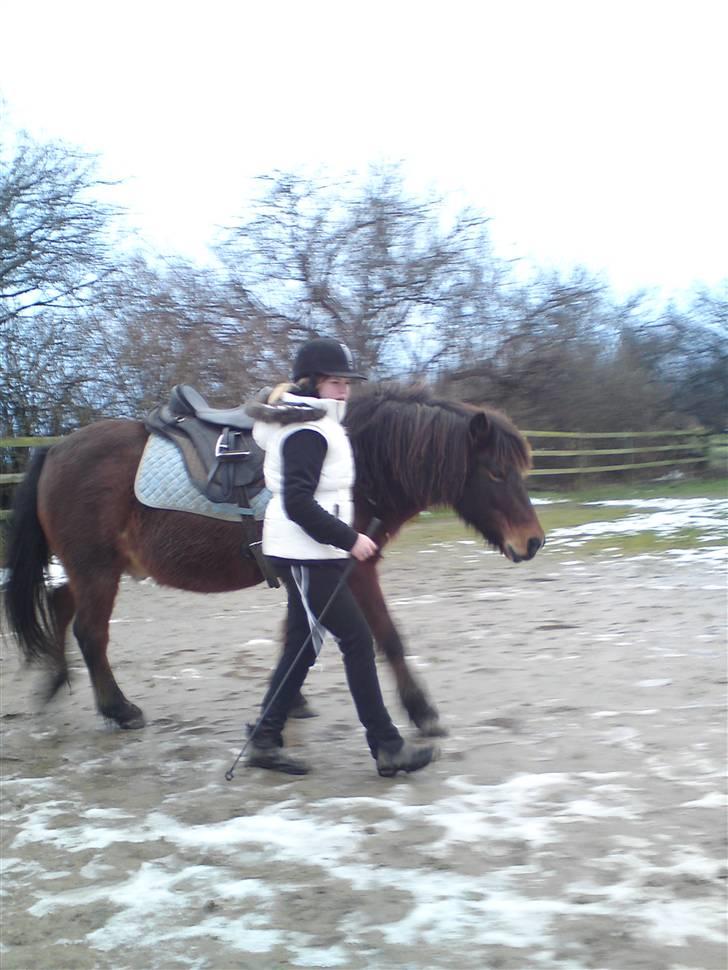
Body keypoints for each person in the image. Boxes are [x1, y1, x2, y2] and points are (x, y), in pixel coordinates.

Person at [245, 337, 438, 777]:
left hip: (315, 551)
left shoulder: (320, 425)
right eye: (335, 383)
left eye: (346, 383)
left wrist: (339, 540)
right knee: (354, 640)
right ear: (311, 384)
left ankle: (264, 737)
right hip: (306, 552)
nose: (344, 391)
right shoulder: (307, 432)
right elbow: (296, 501)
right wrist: (349, 539)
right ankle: (387, 746)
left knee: (302, 643)